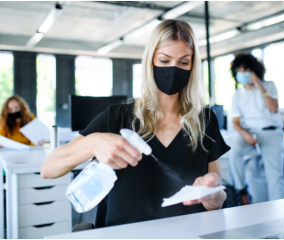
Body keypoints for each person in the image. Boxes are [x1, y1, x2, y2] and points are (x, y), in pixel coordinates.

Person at [41, 19, 230, 227]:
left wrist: (211, 195)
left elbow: (217, 201)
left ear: (193, 65)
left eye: (183, 62)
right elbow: (49, 168)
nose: (174, 70)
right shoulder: (118, 117)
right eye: (165, 61)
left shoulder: (204, 120)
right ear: (150, 61)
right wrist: (93, 143)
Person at [228, 53, 284, 205]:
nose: (242, 73)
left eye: (245, 69)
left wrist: (259, 85)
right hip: (249, 132)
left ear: (254, 70)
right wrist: (245, 134)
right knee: (234, 151)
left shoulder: (269, 85)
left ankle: (280, 211)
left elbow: (273, 108)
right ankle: (241, 191)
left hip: (271, 132)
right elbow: (236, 121)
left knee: (274, 176)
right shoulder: (237, 95)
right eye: (239, 70)